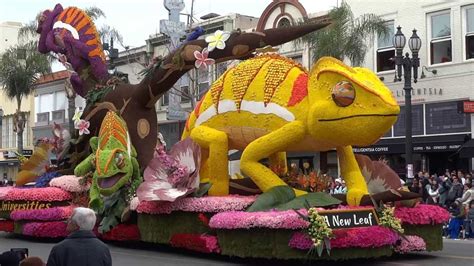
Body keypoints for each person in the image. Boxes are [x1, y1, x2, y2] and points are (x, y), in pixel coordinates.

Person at [46, 207, 111, 266]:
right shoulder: (103, 249)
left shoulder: (59, 249)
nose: (68, 221)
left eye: (70, 219)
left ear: (76, 226)